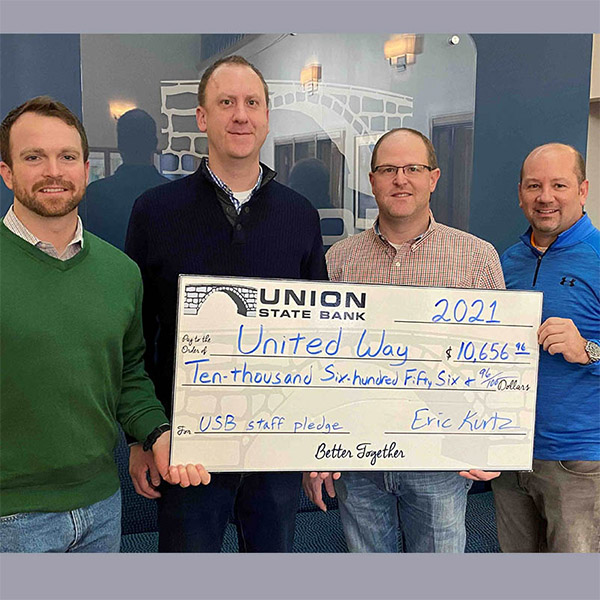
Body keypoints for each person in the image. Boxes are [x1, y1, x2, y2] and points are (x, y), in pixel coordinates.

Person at [125, 56, 327, 552]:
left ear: (266, 116)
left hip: (277, 442)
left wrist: (321, 434)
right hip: (186, 444)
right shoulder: (155, 212)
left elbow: (322, 335)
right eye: (226, 102)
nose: (241, 115)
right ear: (202, 117)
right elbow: (137, 335)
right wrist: (140, 437)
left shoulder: (300, 215)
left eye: (252, 103)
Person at [0, 96, 209, 553]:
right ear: (7, 172)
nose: (54, 170)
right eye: (34, 157)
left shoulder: (120, 272)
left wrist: (157, 434)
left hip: (101, 505)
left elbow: (129, 375)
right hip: (9, 518)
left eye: (67, 157)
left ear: (87, 169)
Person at [303, 127, 504, 552]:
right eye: (388, 169)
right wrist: (315, 450)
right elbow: (318, 363)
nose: (400, 179)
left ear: (433, 178)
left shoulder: (476, 257)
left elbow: (497, 362)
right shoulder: (338, 260)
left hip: (440, 459)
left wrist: (491, 437)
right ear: (372, 180)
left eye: (413, 168)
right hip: (356, 458)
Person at [491, 143, 600, 553]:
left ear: (583, 190)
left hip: (578, 461)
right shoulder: (506, 261)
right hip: (509, 452)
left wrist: (588, 348)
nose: (546, 197)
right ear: (520, 193)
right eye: (534, 185)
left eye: (559, 185)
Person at [84, 108, 169, 250]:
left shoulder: (94, 195)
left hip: (108, 271)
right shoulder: (172, 195)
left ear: (120, 145)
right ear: (154, 144)